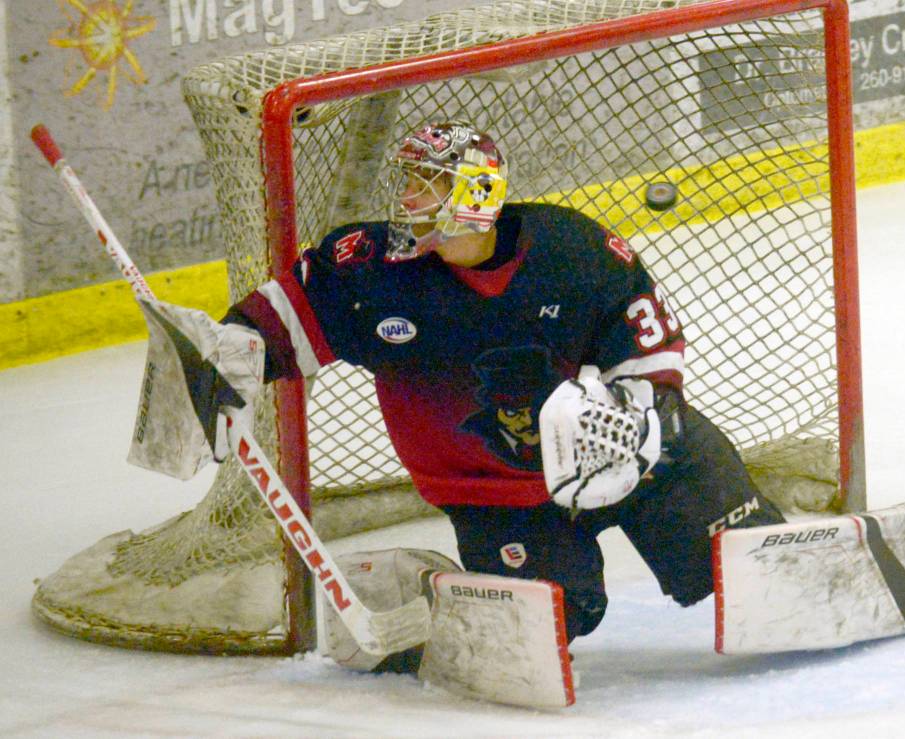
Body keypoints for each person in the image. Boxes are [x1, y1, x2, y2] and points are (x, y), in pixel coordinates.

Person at [221, 120, 784, 643]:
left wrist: (645, 413)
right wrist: (227, 357)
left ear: (476, 196)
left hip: (611, 453)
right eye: (411, 182)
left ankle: (784, 571)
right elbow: (279, 321)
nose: (408, 199)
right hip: (494, 494)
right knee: (562, 617)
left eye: (428, 184)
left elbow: (644, 339)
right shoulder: (371, 271)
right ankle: (425, 598)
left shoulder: (572, 249)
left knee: (741, 557)